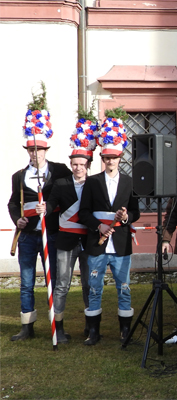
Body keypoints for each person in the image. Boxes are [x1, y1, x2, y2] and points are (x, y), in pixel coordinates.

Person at [8, 106, 71, 341]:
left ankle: (58, 327)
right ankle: (27, 327)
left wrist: (54, 208)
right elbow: (13, 203)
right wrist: (17, 218)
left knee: (53, 282)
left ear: (46, 150)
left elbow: (70, 196)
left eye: (39, 150)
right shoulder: (18, 176)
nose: (35, 154)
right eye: (31, 150)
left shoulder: (60, 171)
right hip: (27, 236)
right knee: (26, 283)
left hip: (51, 234)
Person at [78, 116, 140, 346]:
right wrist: (99, 225)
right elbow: (84, 213)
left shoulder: (129, 182)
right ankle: (93, 332)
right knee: (94, 288)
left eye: (114, 157)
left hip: (121, 244)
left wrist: (126, 217)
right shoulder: (92, 182)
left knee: (124, 288)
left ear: (120, 157)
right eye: (106, 158)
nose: (110, 161)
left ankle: (125, 332)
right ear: (102, 159)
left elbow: (136, 212)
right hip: (97, 244)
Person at [34, 122, 97, 343]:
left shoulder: (95, 183)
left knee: (89, 284)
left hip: (89, 240)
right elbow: (52, 203)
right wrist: (45, 208)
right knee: (61, 285)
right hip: (66, 239)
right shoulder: (60, 183)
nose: (78, 167)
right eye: (74, 164)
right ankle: (58, 328)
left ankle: (91, 326)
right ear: (70, 164)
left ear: (88, 165)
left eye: (81, 164)